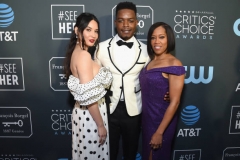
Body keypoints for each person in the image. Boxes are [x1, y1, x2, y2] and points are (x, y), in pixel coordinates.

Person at [64, 12, 112, 160]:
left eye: (96, 31)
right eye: (88, 29)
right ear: (77, 30)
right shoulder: (84, 56)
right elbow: (89, 96)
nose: (93, 35)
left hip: (84, 114)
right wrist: (100, 125)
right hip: (91, 117)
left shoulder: (76, 52)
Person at [139, 22, 185, 160]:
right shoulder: (150, 61)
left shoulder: (174, 64)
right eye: (153, 38)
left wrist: (159, 132)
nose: (156, 41)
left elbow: (175, 102)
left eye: (161, 37)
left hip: (162, 121)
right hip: (147, 119)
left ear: (169, 39)